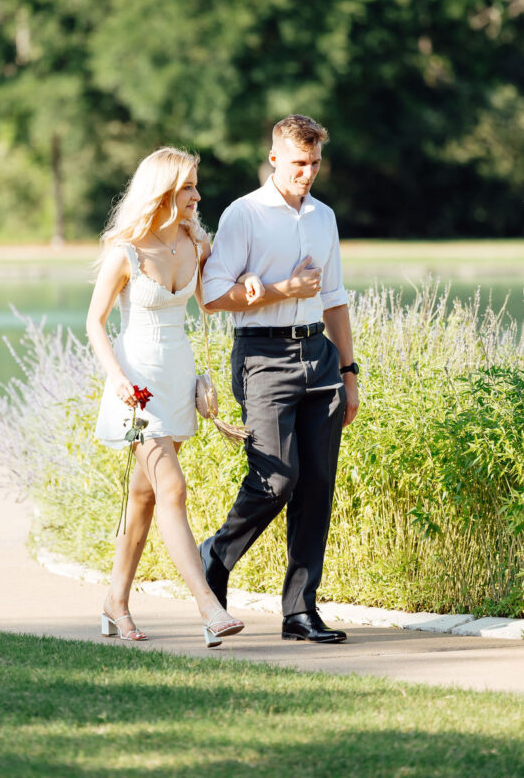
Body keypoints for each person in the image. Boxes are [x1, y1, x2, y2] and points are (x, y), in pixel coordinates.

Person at [200, 114, 359, 644]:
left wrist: (349, 373)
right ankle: (215, 556)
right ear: (274, 159)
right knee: (276, 478)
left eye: (314, 162)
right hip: (262, 357)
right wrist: (280, 290)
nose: (307, 172)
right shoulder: (243, 214)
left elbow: (334, 299)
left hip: (319, 354)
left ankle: (299, 612)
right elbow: (213, 295)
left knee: (316, 486)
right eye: (298, 162)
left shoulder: (324, 216)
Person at [86, 147, 245, 648]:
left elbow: (212, 301)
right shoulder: (126, 251)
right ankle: (209, 607)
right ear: (162, 191)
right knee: (171, 488)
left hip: (177, 382)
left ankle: (115, 602)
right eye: (187, 188)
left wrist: (254, 287)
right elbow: (94, 322)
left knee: (144, 496)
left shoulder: (195, 243)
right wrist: (115, 379)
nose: (197, 196)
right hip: (135, 390)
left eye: (196, 186)